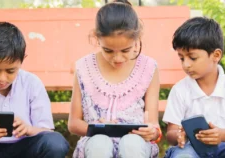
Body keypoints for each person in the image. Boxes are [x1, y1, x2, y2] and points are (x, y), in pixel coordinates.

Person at [0, 22, 69, 158]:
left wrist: (28, 129)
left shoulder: (32, 83)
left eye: (11, 70)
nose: (2, 78)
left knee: (55, 142)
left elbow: (47, 133)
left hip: (24, 148)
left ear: (21, 62)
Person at [68, 0, 162, 157]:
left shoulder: (149, 67)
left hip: (136, 146)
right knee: (100, 143)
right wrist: (94, 128)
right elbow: (74, 123)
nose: (117, 58)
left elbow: (153, 125)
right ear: (96, 38)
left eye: (125, 50)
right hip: (95, 145)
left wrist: (152, 132)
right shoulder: (83, 67)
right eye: (108, 50)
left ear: (137, 39)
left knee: (131, 143)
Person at [163, 17, 225, 158]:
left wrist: (223, 134)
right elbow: (171, 133)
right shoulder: (179, 90)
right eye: (182, 58)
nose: (186, 65)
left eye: (192, 58)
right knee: (183, 155)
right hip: (193, 149)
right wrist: (180, 136)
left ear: (216, 55)